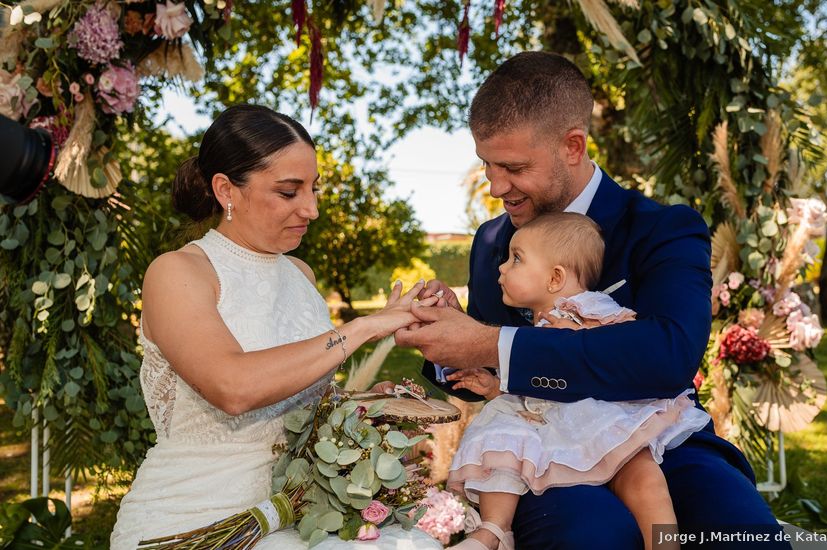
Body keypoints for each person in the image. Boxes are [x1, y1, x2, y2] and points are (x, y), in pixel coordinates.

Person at [395, 52, 790, 549]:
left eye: (513, 167)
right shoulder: (493, 240)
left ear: (573, 146)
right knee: (594, 536)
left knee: (743, 534)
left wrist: (488, 343)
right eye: (487, 166)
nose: (497, 187)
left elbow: (667, 356)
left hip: (661, 439)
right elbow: (485, 377)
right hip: (541, 451)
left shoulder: (662, 229)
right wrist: (447, 337)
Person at [110, 105, 441, 550]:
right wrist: (362, 328)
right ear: (227, 189)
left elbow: (302, 404)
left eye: (314, 188)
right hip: (196, 516)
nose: (313, 208)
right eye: (289, 192)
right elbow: (233, 387)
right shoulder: (178, 272)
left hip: (304, 511)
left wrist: (364, 407)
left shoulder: (300, 275)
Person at [443, 212, 711, 550]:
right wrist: (495, 387)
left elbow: (627, 344)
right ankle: (493, 531)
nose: (503, 268)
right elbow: (535, 391)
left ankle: (664, 544)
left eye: (517, 259)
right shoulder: (537, 325)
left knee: (643, 478)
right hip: (558, 424)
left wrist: (584, 336)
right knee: (503, 445)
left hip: (606, 417)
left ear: (555, 278)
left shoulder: (588, 307)